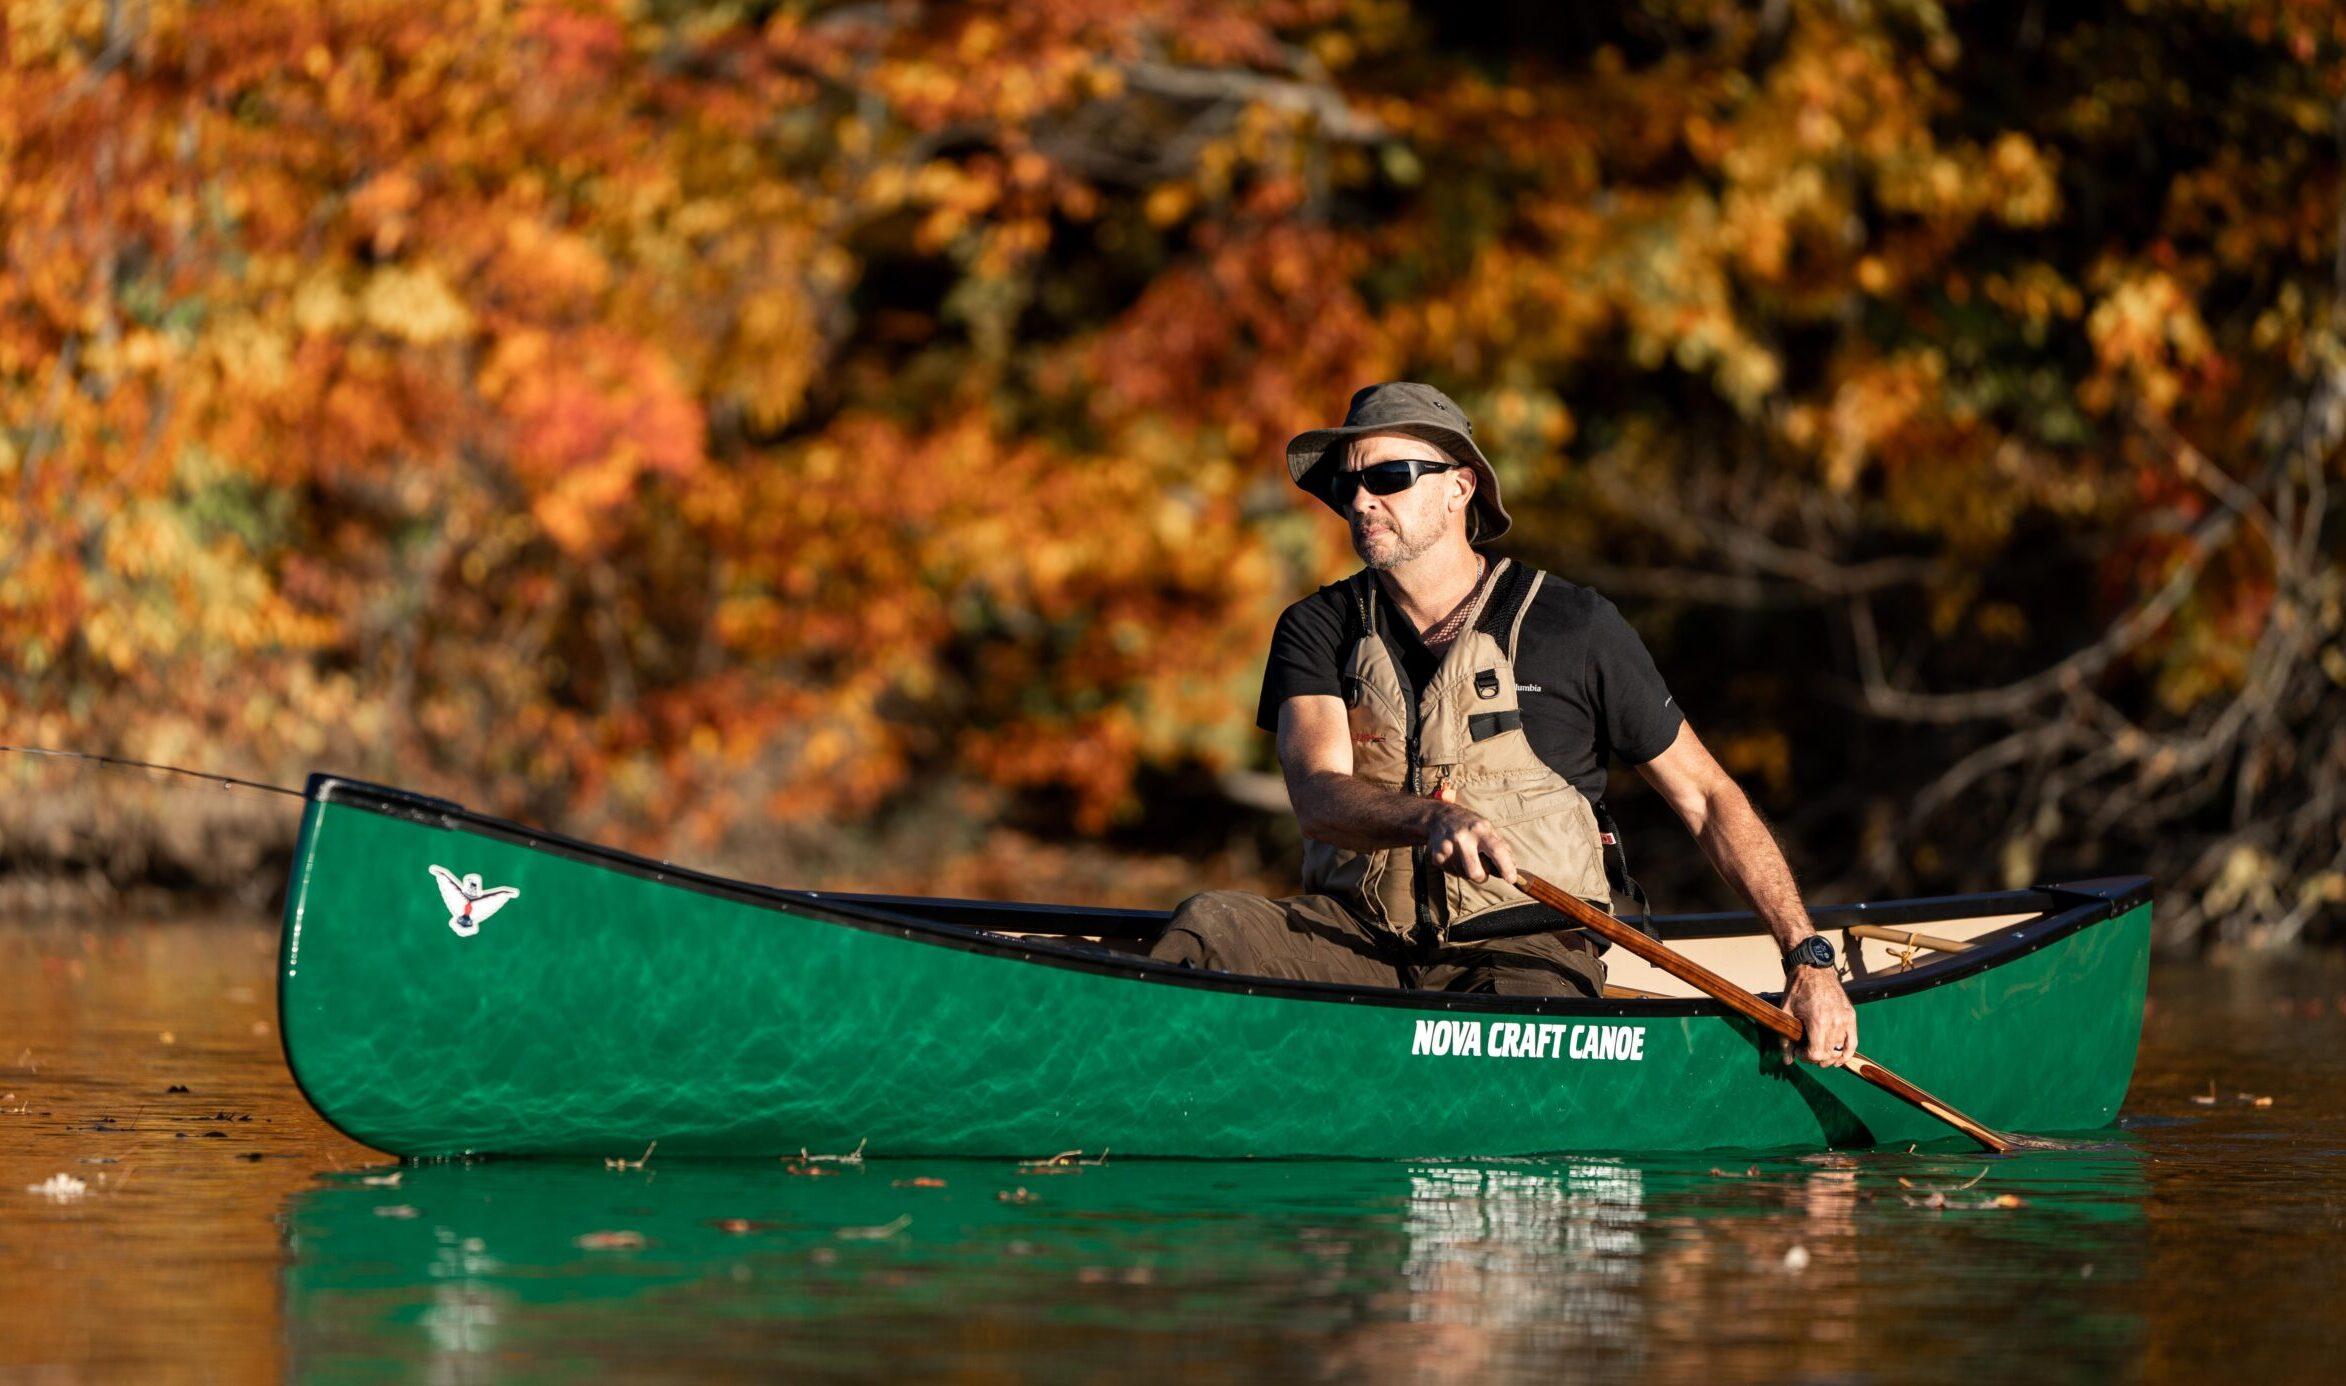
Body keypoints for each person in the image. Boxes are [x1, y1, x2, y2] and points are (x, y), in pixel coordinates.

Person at [1148, 381, 1860, 1066]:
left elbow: (1706, 799)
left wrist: (1807, 957)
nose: (1361, 500)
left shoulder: (1577, 626)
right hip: (1362, 941)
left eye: (1389, 476)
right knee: (1211, 926)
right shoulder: (1315, 628)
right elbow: (1318, 794)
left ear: (1460, 488)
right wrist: (1426, 820)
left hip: (1529, 951)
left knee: (1499, 1036)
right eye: (1345, 485)